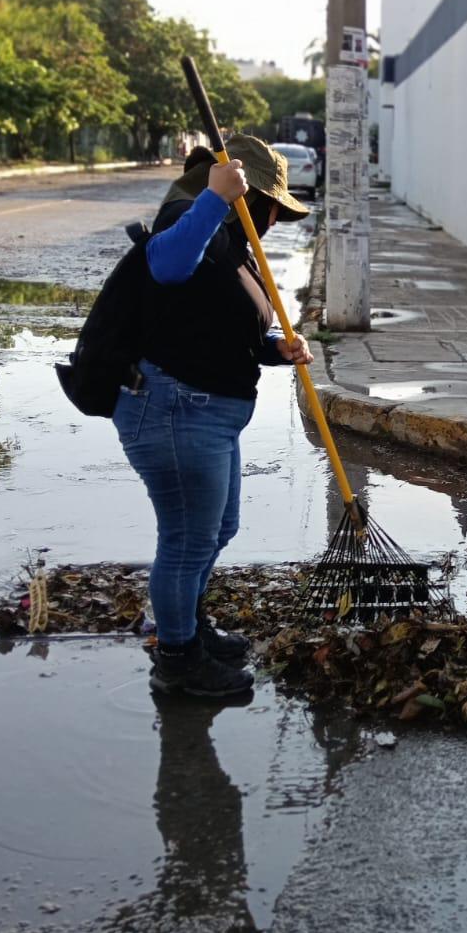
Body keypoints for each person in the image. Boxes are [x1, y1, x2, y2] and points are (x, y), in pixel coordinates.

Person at [115, 136, 313, 698]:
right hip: (174, 409)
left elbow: (213, 325)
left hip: (208, 412)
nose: (273, 222)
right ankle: (177, 661)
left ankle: (191, 629)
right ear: (251, 199)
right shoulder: (189, 218)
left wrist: (276, 349)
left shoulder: (231, 244)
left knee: (216, 530)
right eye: (273, 209)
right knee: (186, 540)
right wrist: (213, 198)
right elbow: (166, 265)